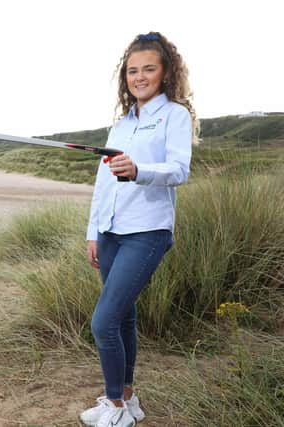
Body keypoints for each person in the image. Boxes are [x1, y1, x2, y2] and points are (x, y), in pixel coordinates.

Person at [81, 32, 199, 427]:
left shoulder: (175, 116)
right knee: (123, 317)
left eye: (149, 68)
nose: (140, 76)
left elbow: (179, 170)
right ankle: (127, 398)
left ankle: (115, 408)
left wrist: (140, 171)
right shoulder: (121, 124)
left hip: (148, 232)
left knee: (103, 322)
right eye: (133, 70)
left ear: (165, 73)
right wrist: (93, 231)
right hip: (112, 231)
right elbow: (103, 182)